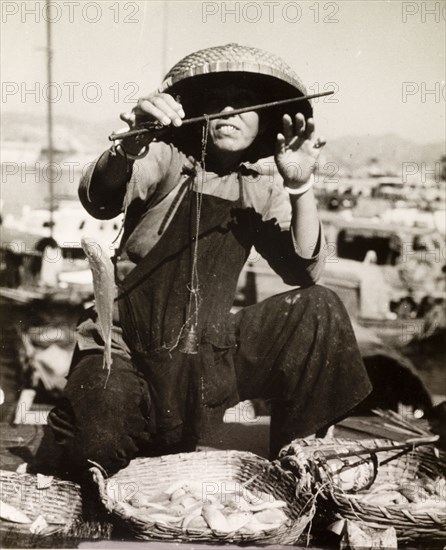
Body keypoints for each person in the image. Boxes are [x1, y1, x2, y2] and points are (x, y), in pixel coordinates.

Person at [48, 44, 372, 478]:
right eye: (217, 100)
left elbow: (304, 272)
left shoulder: (260, 191)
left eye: (246, 102)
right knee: (95, 444)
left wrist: (301, 187)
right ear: (195, 108)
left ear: (266, 121)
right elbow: (100, 198)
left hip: (205, 361)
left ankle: (296, 474)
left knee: (320, 309)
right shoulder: (163, 157)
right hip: (126, 355)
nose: (230, 111)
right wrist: (130, 148)